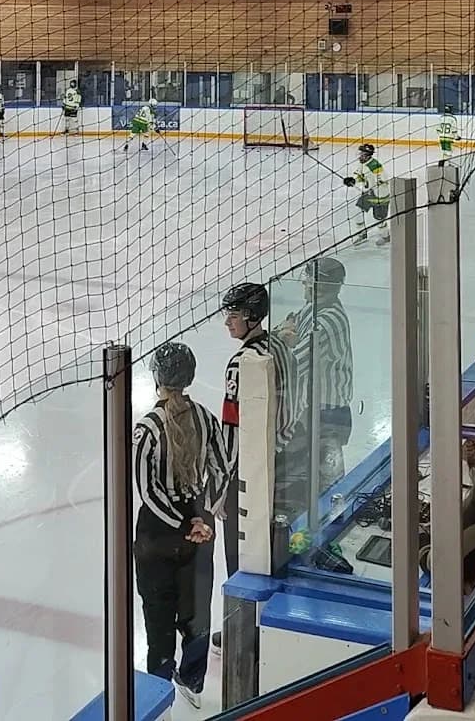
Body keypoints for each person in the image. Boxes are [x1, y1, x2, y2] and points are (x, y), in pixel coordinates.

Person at [133, 341, 230, 709]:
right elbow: (221, 470)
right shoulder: (206, 417)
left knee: (158, 613)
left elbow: (148, 489)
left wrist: (179, 523)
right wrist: (201, 519)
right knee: (196, 611)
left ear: (158, 378)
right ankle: (193, 679)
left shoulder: (148, 429)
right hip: (199, 531)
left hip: (158, 536)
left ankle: (158, 692)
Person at [213, 282, 298, 652]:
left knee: (242, 560)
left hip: (247, 476)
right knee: (274, 552)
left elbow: (233, 432)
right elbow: (292, 414)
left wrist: (218, 490)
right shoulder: (280, 346)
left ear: (249, 317)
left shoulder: (241, 365)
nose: (227, 323)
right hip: (284, 464)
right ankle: (269, 628)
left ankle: (241, 635)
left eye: (232, 316)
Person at [279, 257, 354, 492]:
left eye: (309, 281)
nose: (305, 285)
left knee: (327, 482)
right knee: (305, 474)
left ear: (322, 285)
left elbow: (295, 362)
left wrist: (287, 341)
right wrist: (285, 335)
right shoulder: (313, 308)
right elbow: (285, 328)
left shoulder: (329, 320)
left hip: (329, 414)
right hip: (312, 409)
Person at [343, 143, 390, 242]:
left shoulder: (375, 165)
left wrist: (376, 185)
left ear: (367, 155)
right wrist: (352, 180)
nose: (359, 156)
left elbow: (384, 178)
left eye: (362, 154)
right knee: (357, 211)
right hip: (369, 194)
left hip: (380, 195)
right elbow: (359, 175)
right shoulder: (362, 164)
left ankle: (385, 236)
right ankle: (362, 233)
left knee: (379, 219)